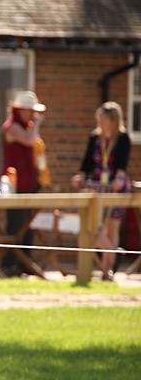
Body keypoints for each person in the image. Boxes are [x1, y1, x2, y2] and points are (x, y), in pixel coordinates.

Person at [71, 101, 132, 281]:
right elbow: (87, 163)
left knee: (112, 228)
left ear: (114, 121)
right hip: (97, 187)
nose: (102, 123)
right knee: (97, 229)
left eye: (105, 120)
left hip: (114, 187)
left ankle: (107, 270)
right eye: (100, 119)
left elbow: (122, 164)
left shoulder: (122, 138)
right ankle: (113, 252)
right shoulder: (95, 138)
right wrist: (80, 176)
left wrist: (119, 179)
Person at [0, 91, 45, 277]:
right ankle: (8, 264)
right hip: (14, 184)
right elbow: (28, 140)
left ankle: (25, 263)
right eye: (29, 111)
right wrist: (38, 124)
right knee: (15, 225)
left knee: (28, 225)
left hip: (30, 182)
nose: (33, 114)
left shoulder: (28, 127)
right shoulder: (11, 127)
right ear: (20, 110)